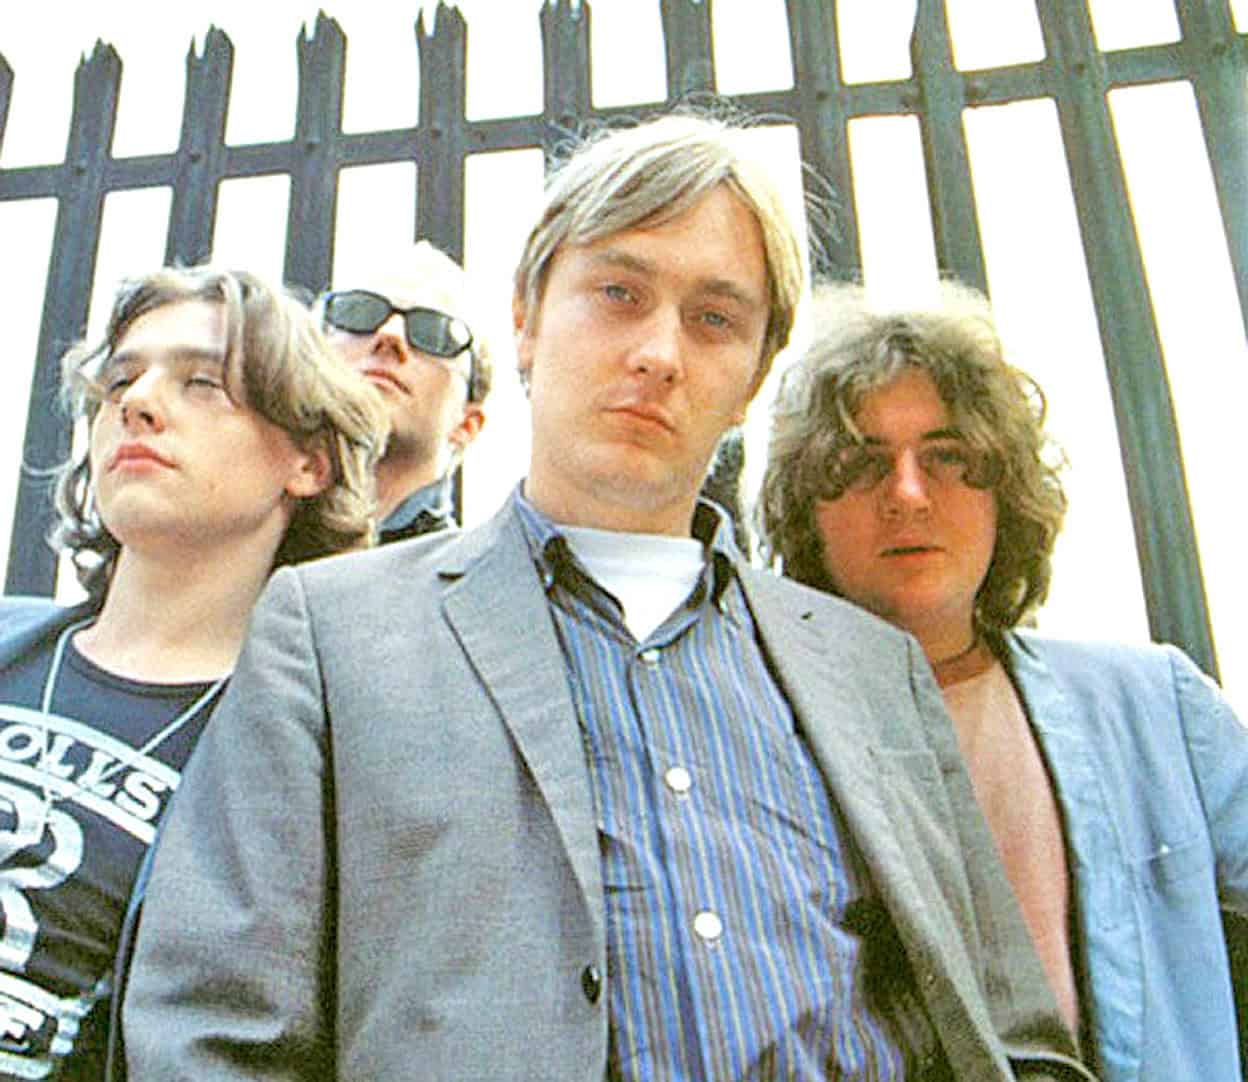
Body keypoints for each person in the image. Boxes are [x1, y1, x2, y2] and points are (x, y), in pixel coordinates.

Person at [122, 113, 1092, 1081]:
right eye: (619, 292)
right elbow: (211, 1026)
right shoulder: (332, 632)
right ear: (529, 318)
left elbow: (1016, 1036)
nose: (660, 351)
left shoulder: (872, 666)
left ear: (756, 375)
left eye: (715, 317)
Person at [758, 278, 1248, 1082]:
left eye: (948, 457)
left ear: (1005, 491)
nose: (908, 494)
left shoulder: (1152, 705)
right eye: (863, 462)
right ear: (806, 506)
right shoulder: (754, 731)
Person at [0, 265, 386, 1081]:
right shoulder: (12, 643)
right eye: (120, 380)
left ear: (308, 462)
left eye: (202, 383)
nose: (138, 404)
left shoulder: (325, 755)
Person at [319, 241, 493, 540]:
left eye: (433, 332)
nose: (390, 334)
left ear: (467, 424)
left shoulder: (482, 583)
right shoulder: (235, 539)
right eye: (360, 310)